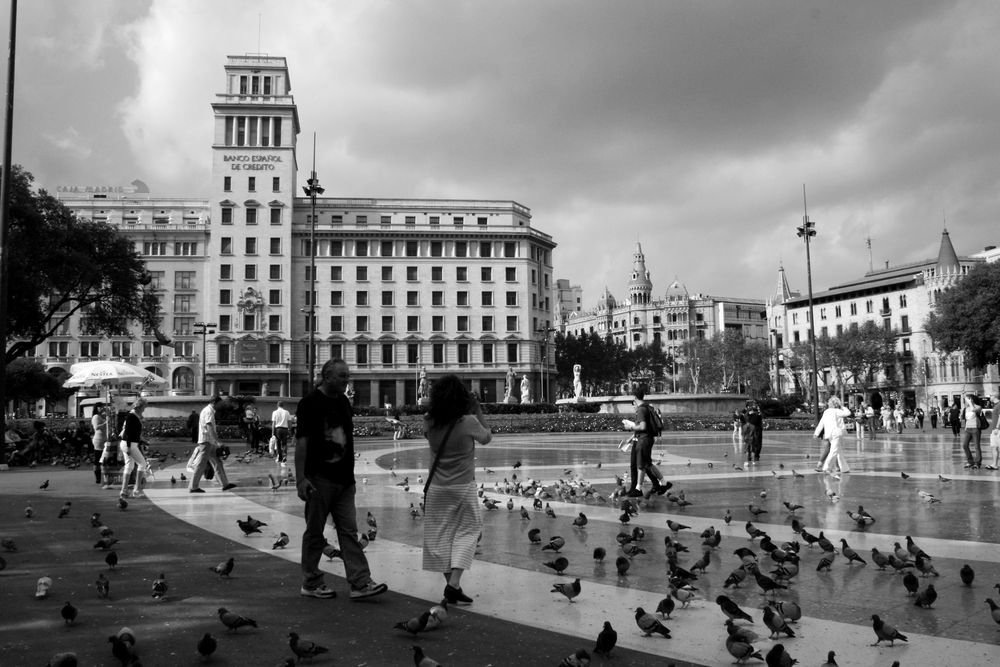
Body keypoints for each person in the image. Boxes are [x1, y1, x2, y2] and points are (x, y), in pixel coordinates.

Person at [296, 359, 387, 600]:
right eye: (342, 376)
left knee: (349, 532)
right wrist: (300, 479)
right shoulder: (309, 403)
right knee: (315, 532)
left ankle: (359, 582)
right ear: (326, 376)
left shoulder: (344, 401)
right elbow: (302, 443)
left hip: (345, 480)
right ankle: (311, 582)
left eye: (347, 376)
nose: (347, 380)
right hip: (319, 478)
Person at [422, 374, 492, 604]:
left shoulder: (429, 420)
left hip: (436, 488)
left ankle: (452, 585)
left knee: (439, 537)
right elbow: (486, 437)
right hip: (462, 486)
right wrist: (477, 409)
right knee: (469, 532)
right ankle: (453, 584)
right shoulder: (469, 422)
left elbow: (428, 437)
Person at [624, 385, 670, 497]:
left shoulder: (641, 409)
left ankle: (638, 489)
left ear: (635, 397)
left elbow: (643, 426)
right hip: (648, 439)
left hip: (643, 440)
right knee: (647, 464)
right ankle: (663, 483)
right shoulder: (647, 407)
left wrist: (630, 427)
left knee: (641, 465)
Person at [188, 395, 236, 493]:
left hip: (209, 442)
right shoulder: (208, 411)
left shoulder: (209, 411)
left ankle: (225, 484)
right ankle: (193, 487)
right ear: (215, 403)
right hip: (206, 442)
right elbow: (209, 427)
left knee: (217, 462)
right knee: (201, 465)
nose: (221, 406)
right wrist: (217, 441)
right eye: (220, 404)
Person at [118, 399, 150, 499]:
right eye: (144, 407)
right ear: (139, 407)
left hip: (128, 444)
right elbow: (128, 432)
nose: (144, 410)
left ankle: (124, 491)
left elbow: (132, 433)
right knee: (142, 464)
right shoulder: (132, 416)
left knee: (129, 466)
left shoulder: (133, 416)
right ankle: (136, 490)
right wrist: (128, 447)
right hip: (129, 444)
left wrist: (142, 441)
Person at [814, 396, 852, 478]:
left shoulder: (826, 411)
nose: (828, 403)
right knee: (834, 451)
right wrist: (842, 407)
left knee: (838, 451)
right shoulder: (836, 411)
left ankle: (844, 468)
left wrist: (816, 433)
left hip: (829, 434)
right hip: (835, 433)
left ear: (832, 403)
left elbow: (821, 423)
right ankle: (826, 467)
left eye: (829, 402)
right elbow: (848, 413)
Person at [960, 393, 984, 469]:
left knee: (977, 446)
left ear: (971, 399)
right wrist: (965, 427)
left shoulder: (978, 407)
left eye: (967, 399)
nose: (965, 401)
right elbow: (966, 419)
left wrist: (970, 402)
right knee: (964, 445)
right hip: (968, 429)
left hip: (975, 429)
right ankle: (970, 461)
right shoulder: (966, 408)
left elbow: (974, 410)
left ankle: (977, 463)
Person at [90, 403, 108, 485]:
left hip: (103, 439)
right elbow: (96, 427)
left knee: (102, 458)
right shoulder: (96, 417)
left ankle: (102, 476)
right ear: (97, 408)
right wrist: (105, 423)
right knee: (98, 458)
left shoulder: (101, 416)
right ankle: (98, 477)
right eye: (101, 407)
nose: (103, 408)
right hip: (99, 440)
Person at [985, 390, 1000, 470]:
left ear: (995, 396)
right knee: (994, 447)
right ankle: (994, 464)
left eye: (991, 395)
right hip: (994, 430)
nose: (990, 397)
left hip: (998, 430)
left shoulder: (999, 405)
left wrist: (997, 427)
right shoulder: (995, 405)